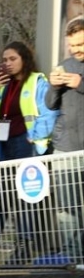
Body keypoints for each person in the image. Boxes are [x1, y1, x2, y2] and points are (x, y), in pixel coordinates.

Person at [0, 41, 58, 264]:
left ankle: (23, 246)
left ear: (24, 59)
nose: (8, 64)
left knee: (25, 195)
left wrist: (35, 136)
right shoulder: (3, 85)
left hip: (26, 143)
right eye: (5, 60)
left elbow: (49, 112)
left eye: (13, 59)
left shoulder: (36, 81)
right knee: (2, 195)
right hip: (5, 145)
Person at [45, 17, 84, 260]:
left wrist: (81, 84)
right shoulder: (64, 64)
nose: (76, 49)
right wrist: (55, 85)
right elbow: (50, 104)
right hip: (65, 149)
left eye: (81, 44)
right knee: (67, 210)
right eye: (72, 45)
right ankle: (73, 261)